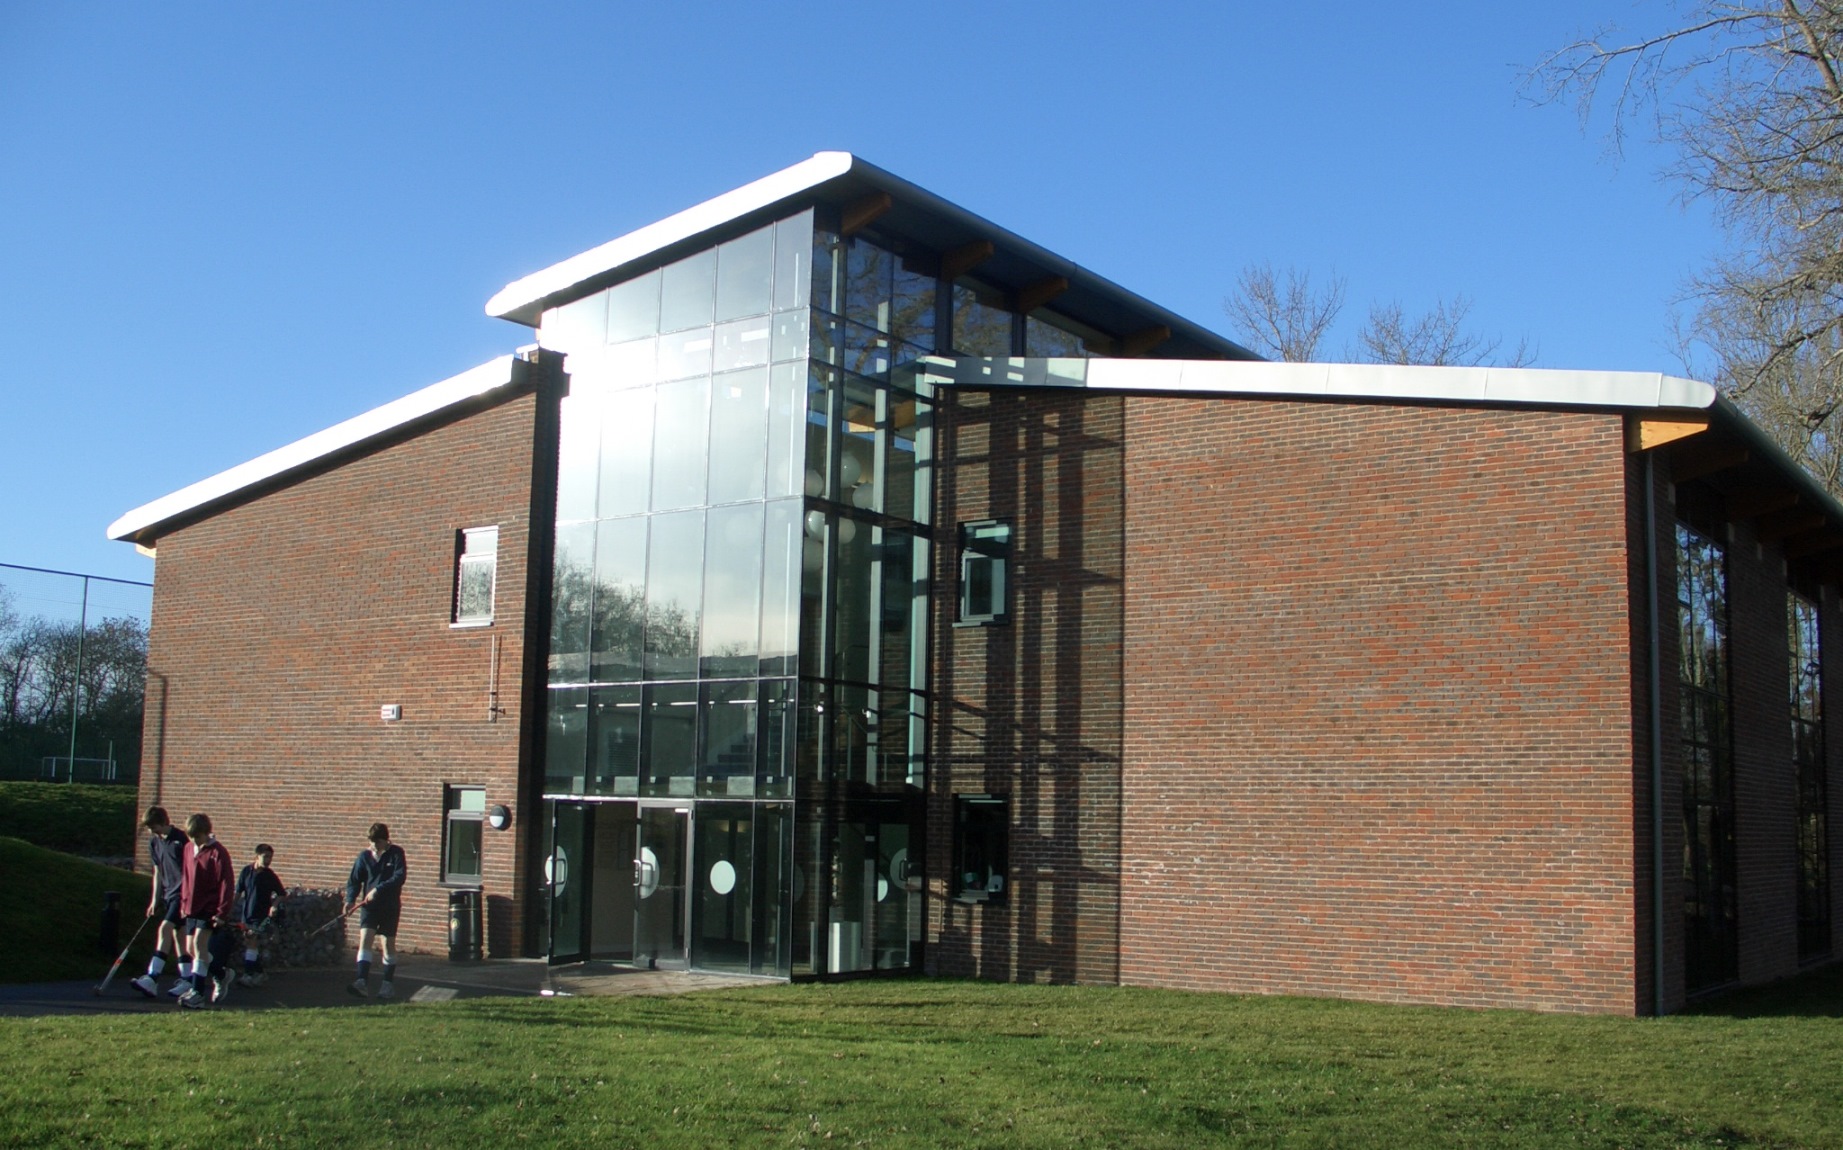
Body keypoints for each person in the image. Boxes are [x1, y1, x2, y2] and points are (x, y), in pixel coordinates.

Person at [176, 813, 236, 1009]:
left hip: (208, 908)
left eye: (198, 837)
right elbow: (186, 877)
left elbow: (226, 883)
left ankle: (198, 993)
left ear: (206, 833)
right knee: (192, 949)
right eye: (191, 837)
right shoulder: (187, 849)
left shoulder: (218, 852)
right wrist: (184, 903)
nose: (194, 841)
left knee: (200, 947)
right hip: (191, 907)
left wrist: (221, 912)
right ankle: (220, 973)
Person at [129, 807, 189, 999]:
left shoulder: (181, 840)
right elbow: (158, 872)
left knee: (165, 928)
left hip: (183, 894)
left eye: (153, 827)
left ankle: (152, 977)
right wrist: (154, 900)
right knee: (178, 935)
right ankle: (188, 979)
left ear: (163, 822)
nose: (151, 832)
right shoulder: (154, 842)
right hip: (168, 894)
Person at [344, 822, 406, 999]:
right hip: (369, 907)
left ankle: (387, 985)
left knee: (387, 944)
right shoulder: (364, 856)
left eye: (376, 843)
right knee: (365, 939)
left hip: (389, 906)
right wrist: (350, 900)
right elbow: (354, 881)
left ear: (385, 840)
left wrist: (378, 889)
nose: (373, 846)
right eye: (371, 842)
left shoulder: (396, 854)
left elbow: (399, 877)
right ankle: (361, 982)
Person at [233, 843, 285, 987]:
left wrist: (274, 906)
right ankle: (260, 973)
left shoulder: (270, 876)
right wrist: (229, 907)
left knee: (252, 941)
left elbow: (281, 894)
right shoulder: (246, 872)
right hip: (247, 914)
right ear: (257, 856)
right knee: (249, 943)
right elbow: (238, 892)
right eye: (265, 857)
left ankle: (248, 975)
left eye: (270, 857)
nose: (268, 860)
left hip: (261, 916)